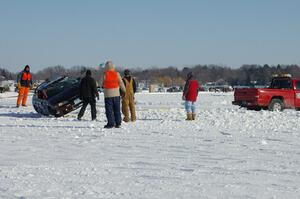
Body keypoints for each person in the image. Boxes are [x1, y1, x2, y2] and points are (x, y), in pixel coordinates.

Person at [102, 61, 126, 128]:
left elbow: (101, 83)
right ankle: (118, 123)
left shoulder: (105, 74)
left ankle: (111, 123)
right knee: (117, 109)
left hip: (108, 95)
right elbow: (121, 83)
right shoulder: (117, 73)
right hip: (116, 94)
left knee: (109, 110)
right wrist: (124, 90)